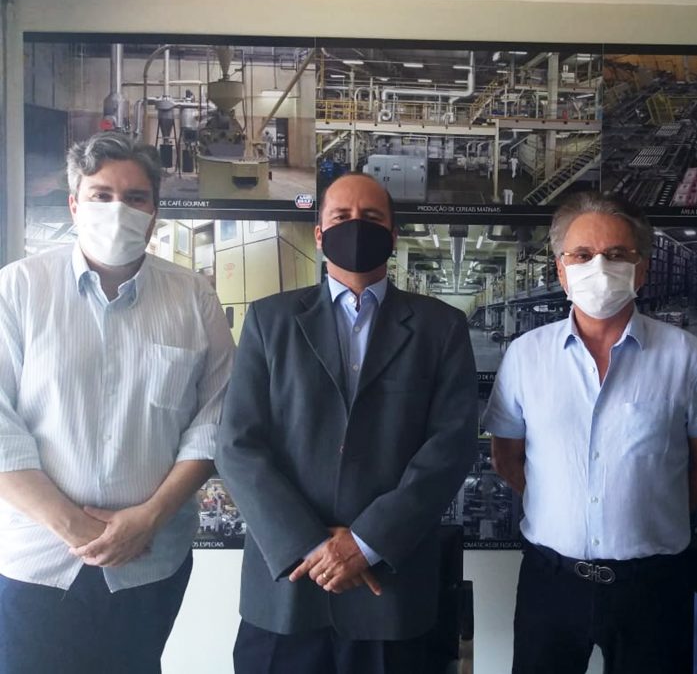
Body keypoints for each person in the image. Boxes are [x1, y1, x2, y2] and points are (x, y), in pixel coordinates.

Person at [215, 172, 478, 674]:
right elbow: (237, 445)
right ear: (319, 234)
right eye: (341, 217)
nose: (356, 226)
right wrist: (314, 546)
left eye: (371, 217)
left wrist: (365, 543)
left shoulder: (440, 327)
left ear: (393, 234)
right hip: (289, 587)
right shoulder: (270, 321)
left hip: (390, 593)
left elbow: (451, 446)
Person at [0, 131, 234, 673]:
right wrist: (72, 526)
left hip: (149, 560)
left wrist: (150, 517)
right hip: (37, 561)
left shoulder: (193, 298)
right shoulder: (18, 290)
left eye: (134, 198)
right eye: (101, 195)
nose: (117, 209)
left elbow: (215, 416)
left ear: (154, 212)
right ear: (73, 204)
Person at [483, 191, 697, 674]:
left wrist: (651, 511)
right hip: (550, 583)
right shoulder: (525, 356)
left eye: (617, 254)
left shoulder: (685, 356)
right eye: (581, 255)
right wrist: (561, 504)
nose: (598, 267)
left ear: (641, 270)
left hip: (653, 585)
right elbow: (506, 458)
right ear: (561, 270)